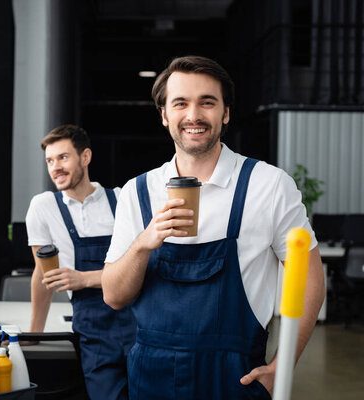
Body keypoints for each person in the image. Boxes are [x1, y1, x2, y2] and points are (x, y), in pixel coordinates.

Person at [101, 56, 325, 400]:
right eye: (180, 103)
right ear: (164, 115)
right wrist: (144, 243)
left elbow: (310, 275)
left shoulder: (268, 185)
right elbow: (114, 296)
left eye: (207, 102)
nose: (193, 115)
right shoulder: (137, 191)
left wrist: (284, 364)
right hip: (151, 381)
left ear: (226, 113)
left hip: (235, 382)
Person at [25, 125, 136, 400]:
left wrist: (84, 278)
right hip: (93, 330)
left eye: (63, 157)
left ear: (85, 157)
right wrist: (34, 333)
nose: (55, 167)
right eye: (50, 161)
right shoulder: (43, 207)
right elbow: (43, 276)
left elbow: (140, 268)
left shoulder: (121, 199)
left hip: (137, 321)